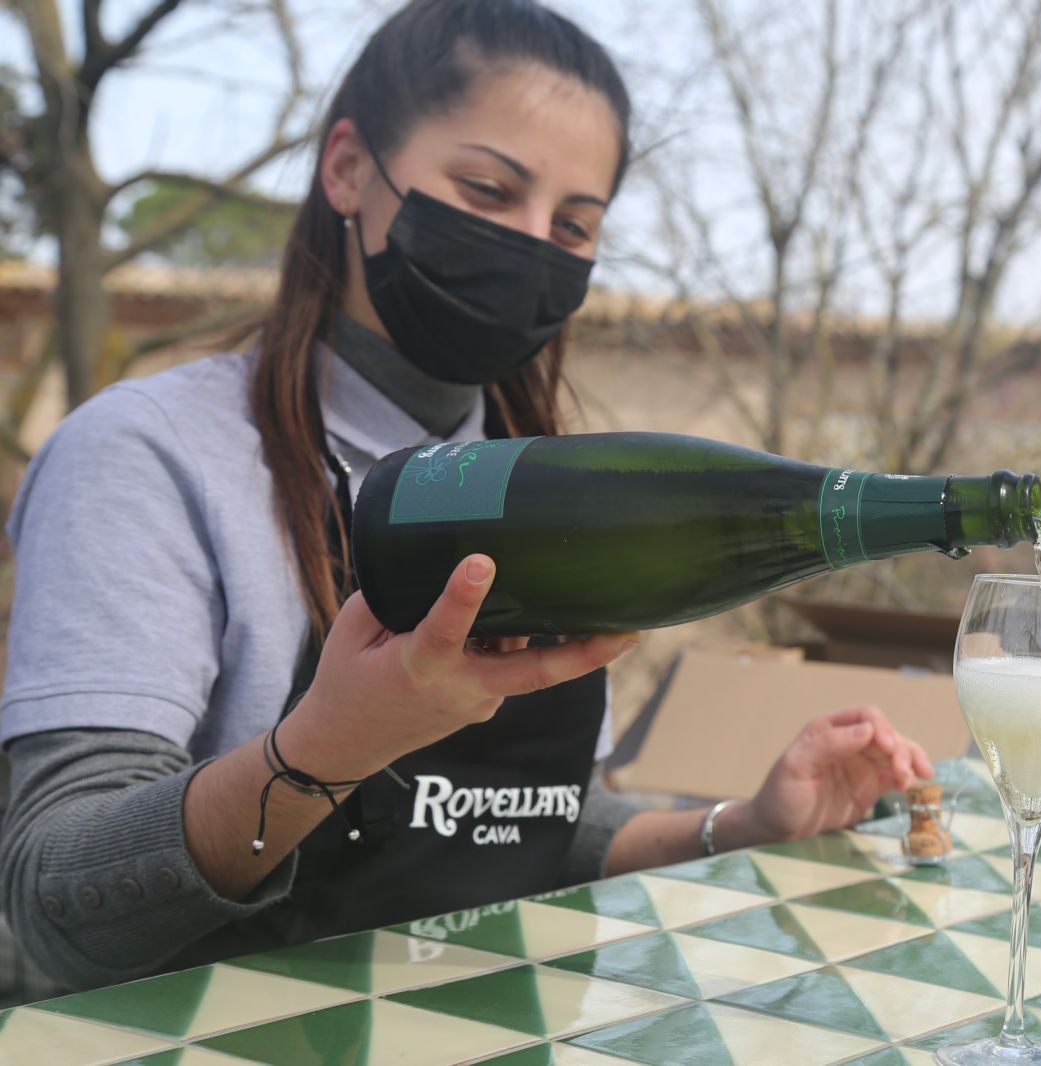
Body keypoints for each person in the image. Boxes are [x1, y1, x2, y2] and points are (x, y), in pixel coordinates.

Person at [0, 0, 933, 993]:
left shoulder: (551, 487)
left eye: (573, 225)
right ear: (348, 168)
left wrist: (739, 826)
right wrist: (329, 748)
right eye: (488, 190)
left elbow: (534, 826)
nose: (530, 245)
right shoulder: (151, 454)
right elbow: (55, 900)